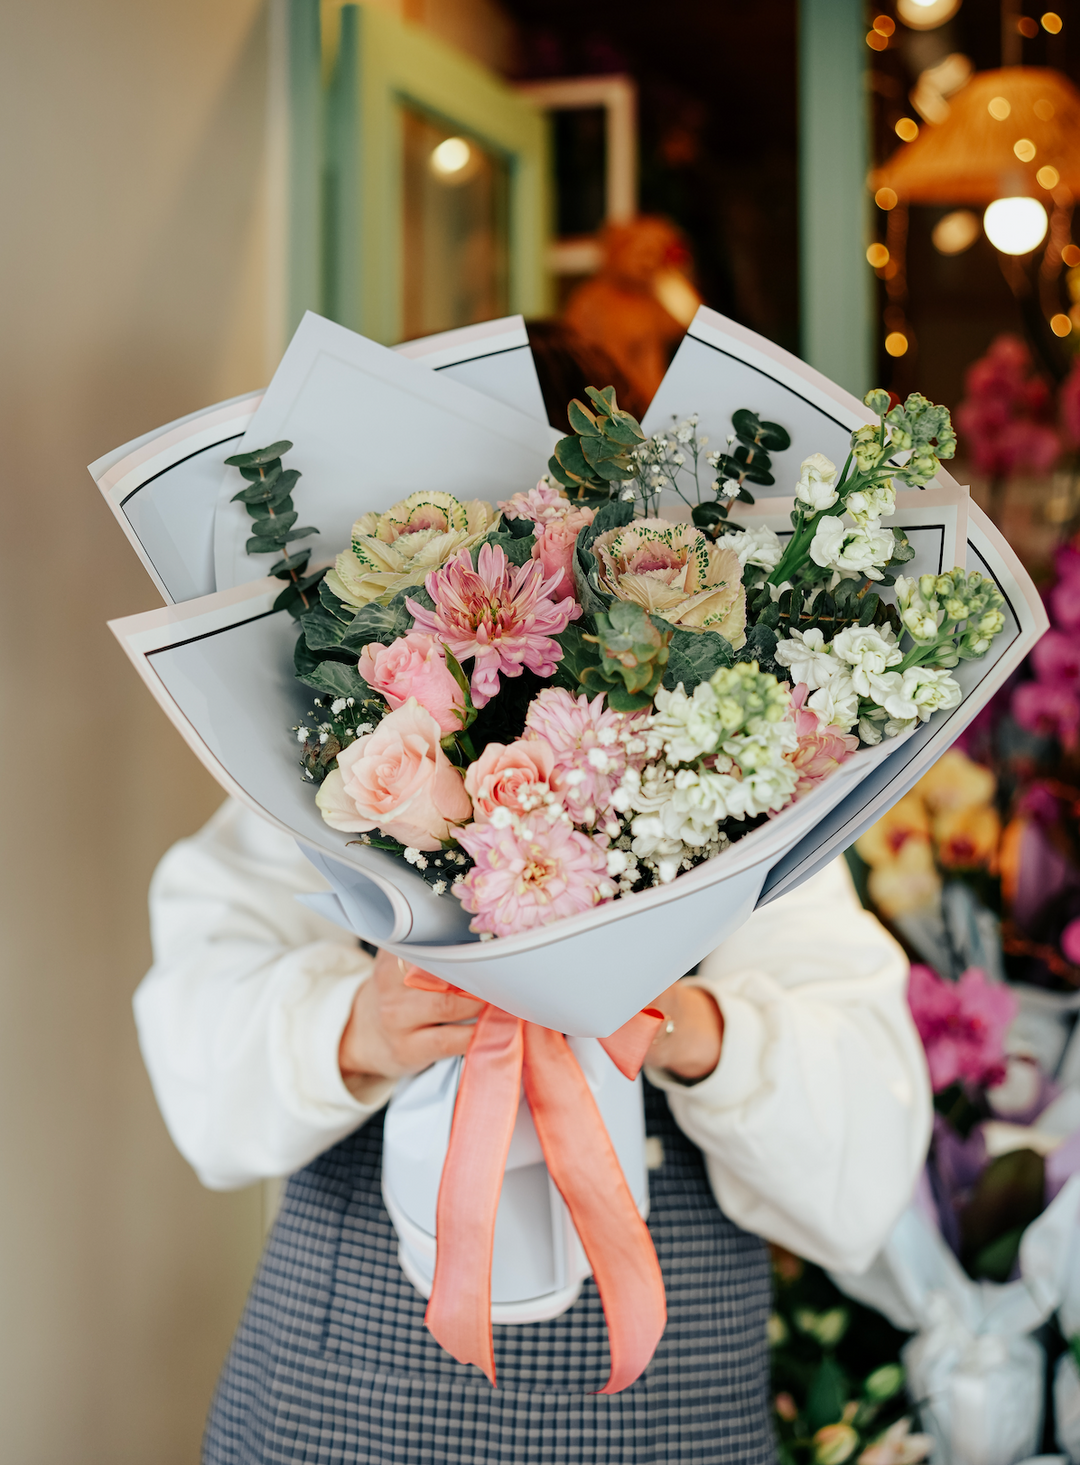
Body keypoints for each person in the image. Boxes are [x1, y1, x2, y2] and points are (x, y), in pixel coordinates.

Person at [136, 799, 930, 1465]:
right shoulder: (328, 764)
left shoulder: (753, 778)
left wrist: (686, 1024)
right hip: (343, 1389)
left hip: (675, 1408)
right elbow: (199, 1036)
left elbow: (868, 1148)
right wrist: (358, 1027)